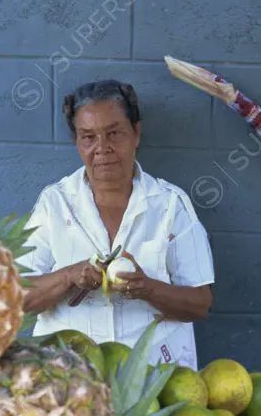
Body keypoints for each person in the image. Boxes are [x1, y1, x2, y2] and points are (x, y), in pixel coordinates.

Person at [22, 79, 214, 369]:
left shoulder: (169, 204)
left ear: (136, 134)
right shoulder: (55, 203)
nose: (102, 148)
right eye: (88, 137)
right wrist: (69, 276)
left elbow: (200, 303)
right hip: (69, 379)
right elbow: (17, 298)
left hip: (156, 379)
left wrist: (147, 288)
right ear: (77, 143)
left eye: (114, 133)